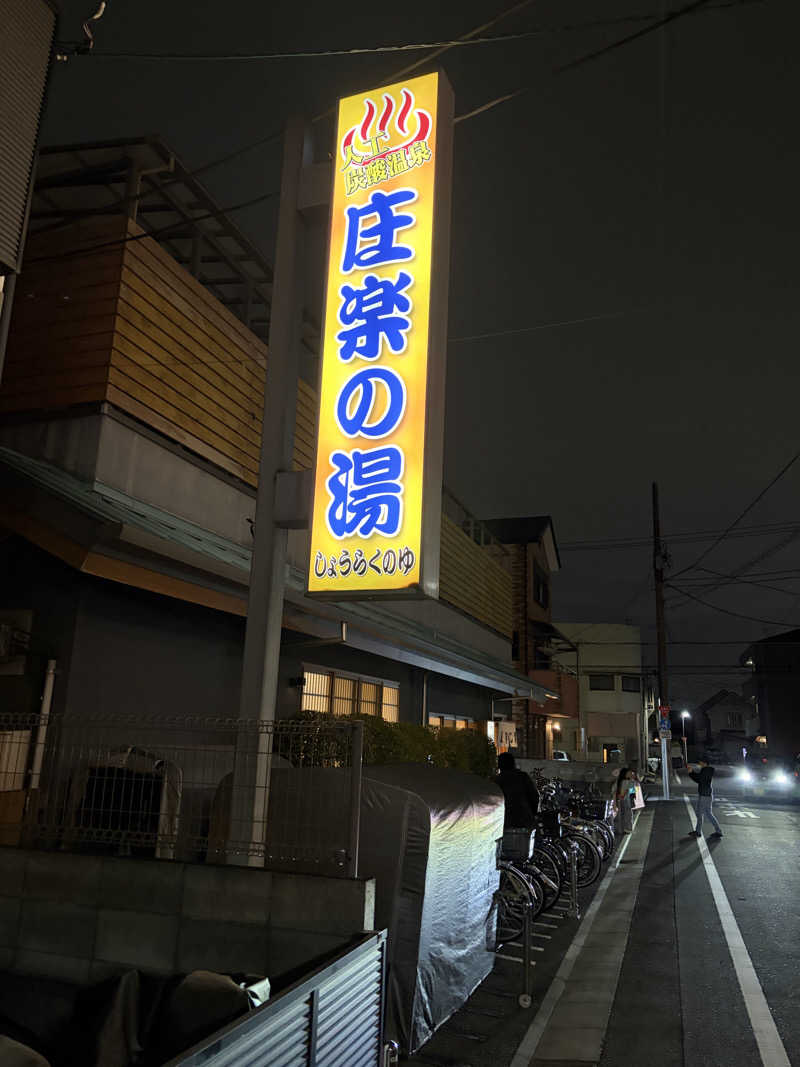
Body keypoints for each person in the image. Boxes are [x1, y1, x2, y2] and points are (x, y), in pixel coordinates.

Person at [495, 752, 539, 828]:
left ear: (499, 765)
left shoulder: (497, 780)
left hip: (505, 821)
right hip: (525, 818)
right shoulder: (523, 777)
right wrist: (532, 813)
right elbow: (534, 796)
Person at [688, 757, 723, 838]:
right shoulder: (707, 770)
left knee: (700, 813)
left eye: (700, 762)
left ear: (704, 763)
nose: (699, 763)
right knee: (708, 814)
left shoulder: (706, 770)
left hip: (704, 795)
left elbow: (699, 779)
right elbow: (699, 779)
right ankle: (718, 831)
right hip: (706, 794)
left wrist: (691, 773)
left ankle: (698, 831)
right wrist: (691, 772)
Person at [612, 766, 638, 834]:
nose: (630, 774)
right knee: (626, 815)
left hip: (621, 800)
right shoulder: (626, 782)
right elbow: (633, 789)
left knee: (621, 815)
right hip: (624, 800)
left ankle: (620, 829)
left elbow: (614, 791)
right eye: (628, 773)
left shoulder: (620, 781)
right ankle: (626, 829)